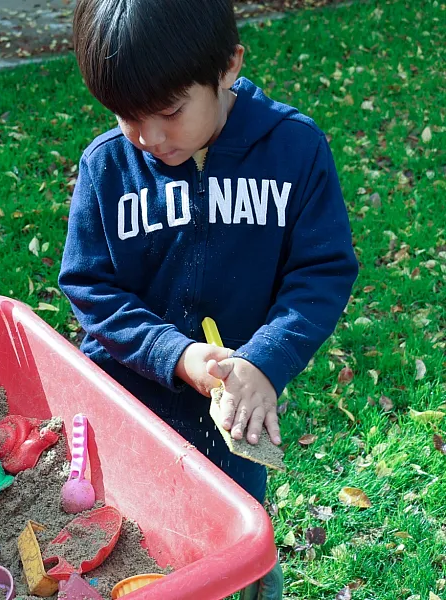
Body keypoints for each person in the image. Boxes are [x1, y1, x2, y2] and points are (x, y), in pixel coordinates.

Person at [59, 0, 359, 597]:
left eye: (169, 112)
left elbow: (322, 272)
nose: (147, 137)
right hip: (132, 412)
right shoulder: (107, 169)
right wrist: (173, 353)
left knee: (235, 547)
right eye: (126, 116)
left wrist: (264, 359)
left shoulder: (294, 152)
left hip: (236, 416)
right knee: (139, 550)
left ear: (227, 68)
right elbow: (91, 289)